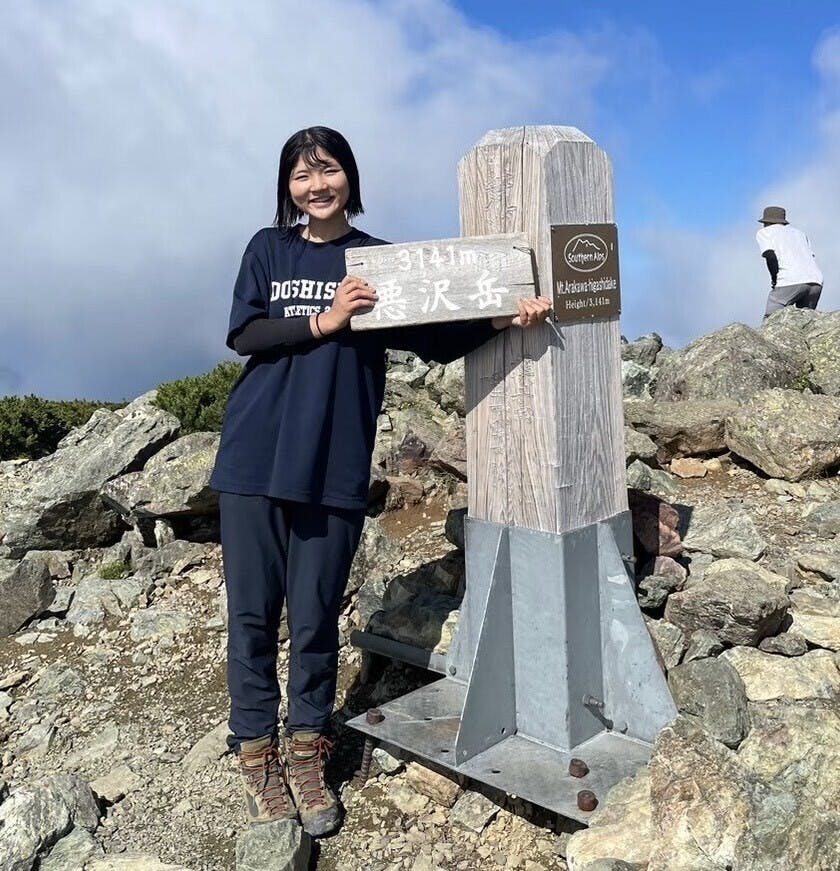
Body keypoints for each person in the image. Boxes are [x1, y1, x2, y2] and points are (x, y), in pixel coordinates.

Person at [209, 126, 551, 837]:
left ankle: (308, 748)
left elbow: (434, 337)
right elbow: (245, 334)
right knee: (252, 616)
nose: (316, 186)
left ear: (350, 177)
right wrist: (327, 319)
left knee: (314, 616)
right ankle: (256, 752)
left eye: (328, 170)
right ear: (288, 187)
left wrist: (503, 318)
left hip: (333, 463)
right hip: (254, 458)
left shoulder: (380, 260)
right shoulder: (268, 249)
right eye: (302, 175)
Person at [756, 206, 823, 318]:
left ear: (766, 222)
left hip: (790, 280)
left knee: (772, 318)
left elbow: (770, 256)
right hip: (816, 281)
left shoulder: (765, 232)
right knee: (806, 320)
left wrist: (774, 280)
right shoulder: (800, 233)